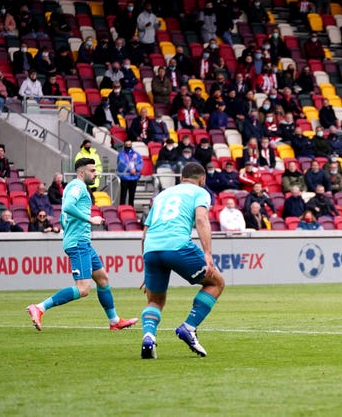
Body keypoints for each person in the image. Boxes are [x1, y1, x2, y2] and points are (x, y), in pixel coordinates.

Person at [26, 158, 137, 331]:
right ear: (81, 172)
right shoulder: (77, 186)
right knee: (83, 289)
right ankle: (40, 307)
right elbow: (69, 206)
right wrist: (90, 219)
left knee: (102, 278)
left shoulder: (74, 187)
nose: (96, 174)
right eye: (92, 171)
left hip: (82, 241)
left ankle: (114, 321)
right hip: (78, 243)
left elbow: (65, 215)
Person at [140, 162, 225, 359]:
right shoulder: (199, 192)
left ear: (181, 178)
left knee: (155, 300)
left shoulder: (161, 195)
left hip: (151, 249)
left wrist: (146, 266)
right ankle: (189, 327)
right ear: (202, 179)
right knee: (216, 282)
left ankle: (149, 338)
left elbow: (145, 232)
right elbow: (202, 220)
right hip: (177, 246)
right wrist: (208, 254)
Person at [117, 140, 143, 206]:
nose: (128, 146)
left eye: (130, 144)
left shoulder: (136, 154)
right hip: (125, 177)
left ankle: (131, 209)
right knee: (123, 195)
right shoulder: (121, 154)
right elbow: (121, 164)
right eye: (127, 144)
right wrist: (130, 170)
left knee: (132, 195)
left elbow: (140, 163)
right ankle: (122, 209)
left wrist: (136, 169)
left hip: (134, 177)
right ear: (124, 145)